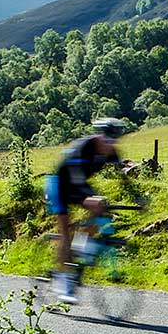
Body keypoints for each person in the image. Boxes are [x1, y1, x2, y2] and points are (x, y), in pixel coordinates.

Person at [44, 117, 125, 302]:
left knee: (100, 211)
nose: (109, 145)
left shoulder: (112, 152)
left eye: (113, 141)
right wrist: (89, 198)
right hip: (59, 185)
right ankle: (63, 284)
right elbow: (76, 176)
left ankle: (80, 246)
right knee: (65, 232)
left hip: (78, 186)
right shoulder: (84, 146)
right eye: (106, 140)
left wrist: (140, 201)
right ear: (99, 136)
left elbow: (125, 180)